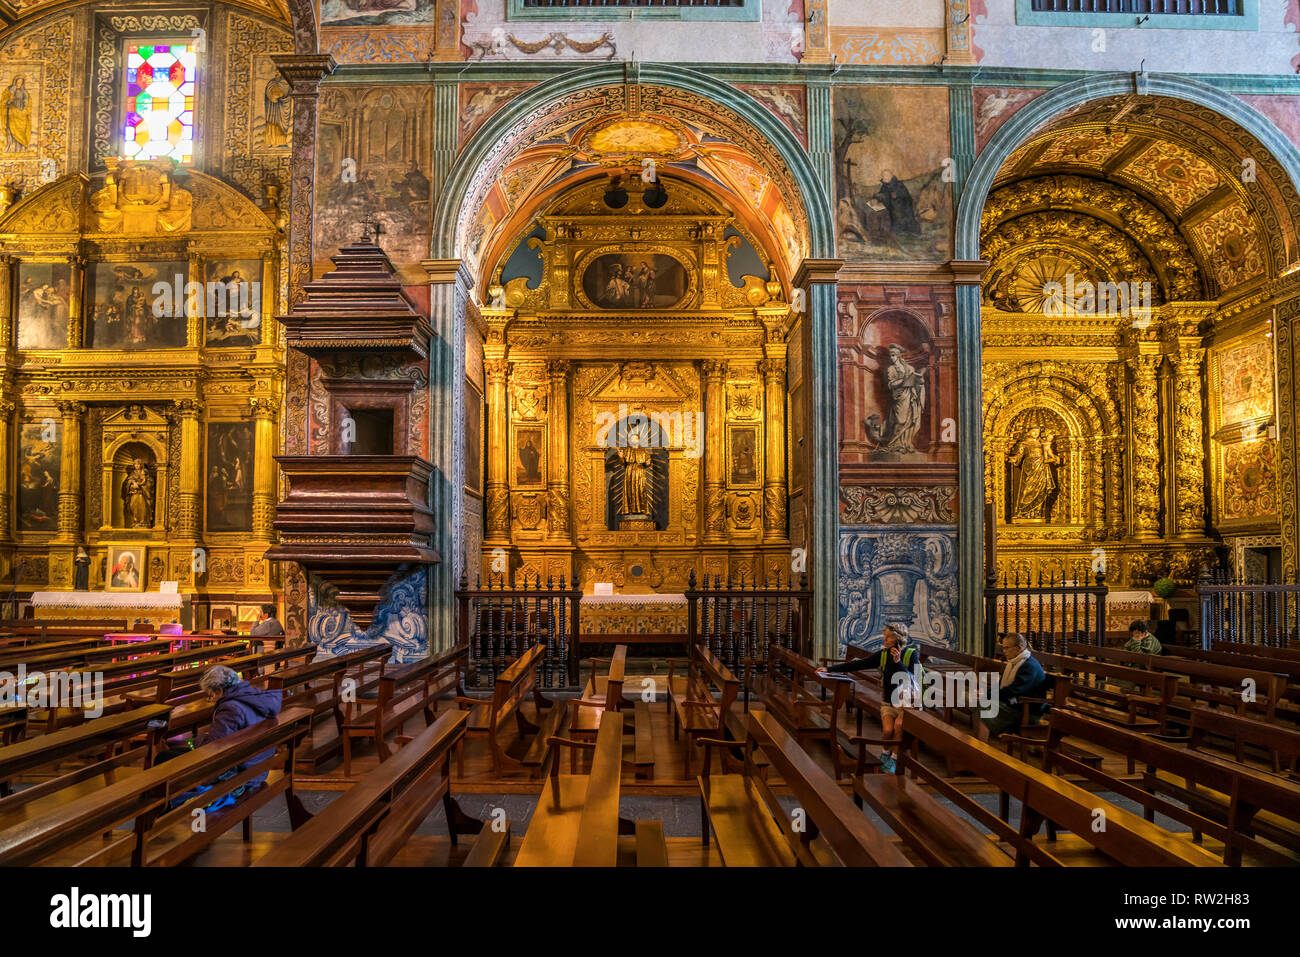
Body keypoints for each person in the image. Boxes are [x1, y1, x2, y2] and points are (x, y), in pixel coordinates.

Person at [161, 665, 284, 811]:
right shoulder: (253, 696)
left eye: (211, 694)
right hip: (257, 768)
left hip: (240, 775)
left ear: (219, 689)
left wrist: (194, 740)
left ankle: (165, 810)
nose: (212, 699)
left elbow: (214, 748)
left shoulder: (231, 707)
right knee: (175, 753)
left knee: (165, 758)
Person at [819, 622, 920, 773]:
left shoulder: (912, 654)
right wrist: (829, 669)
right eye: (885, 636)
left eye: (888, 637)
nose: (884, 640)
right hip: (889, 702)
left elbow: (912, 677)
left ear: (898, 639)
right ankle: (886, 754)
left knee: (899, 727)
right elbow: (859, 664)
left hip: (908, 704)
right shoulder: (884, 654)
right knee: (887, 731)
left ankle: (893, 759)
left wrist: (898, 662)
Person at [981, 633, 1050, 738]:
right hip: (1016, 702)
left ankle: (981, 746)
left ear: (1018, 648)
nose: (1004, 651)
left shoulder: (1029, 666)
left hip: (1027, 709)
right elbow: (1001, 686)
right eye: (1003, 647)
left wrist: (987, 695)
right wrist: (986, 693)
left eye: (1006, 648)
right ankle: (981, 743)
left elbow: (1014, 691)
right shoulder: (1013, 663)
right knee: (979, 702)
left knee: (982, 706)